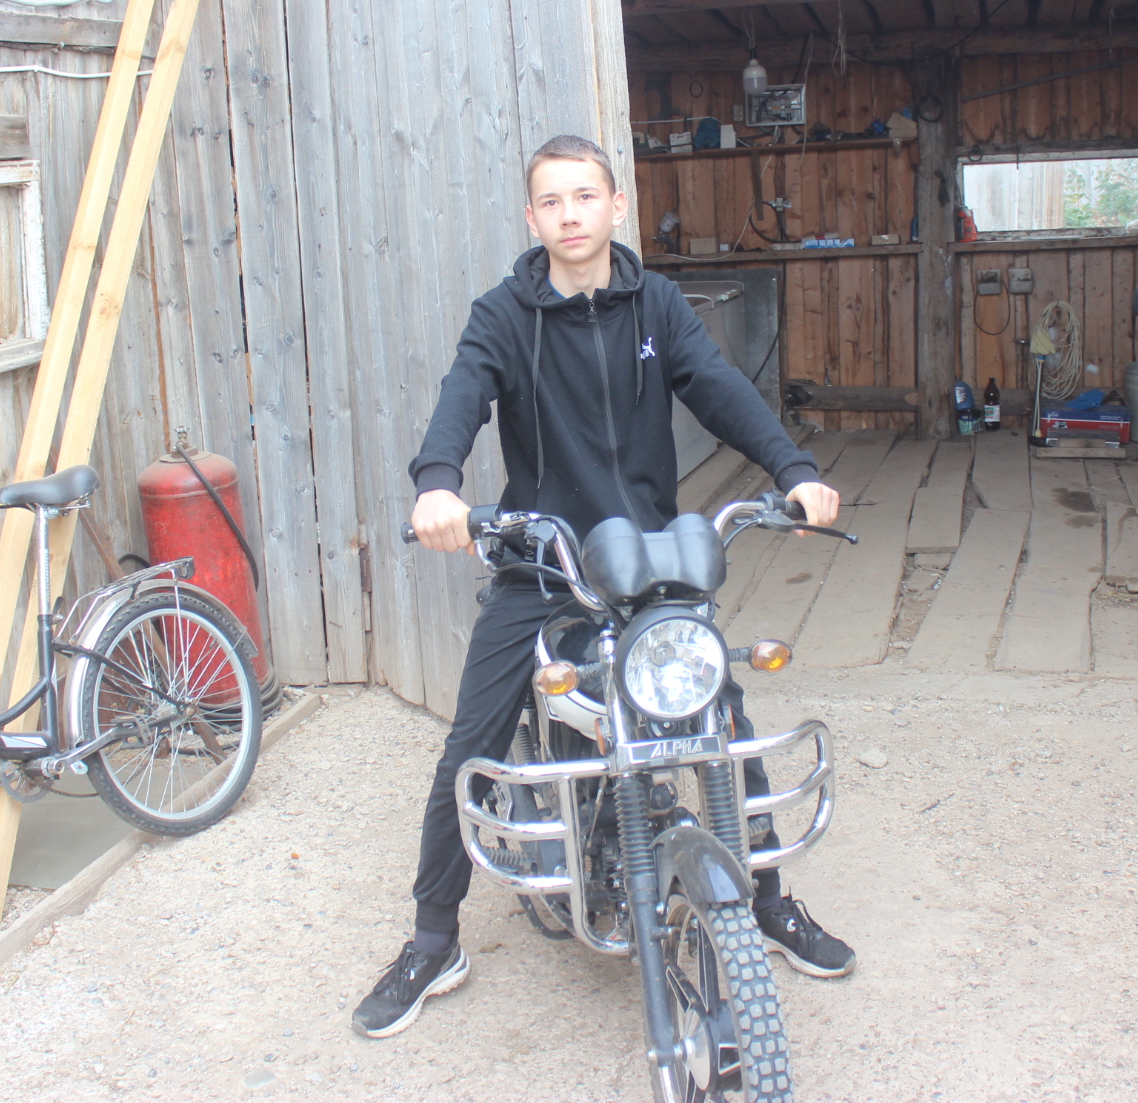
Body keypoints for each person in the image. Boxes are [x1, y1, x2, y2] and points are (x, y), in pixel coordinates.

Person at [352, 135, 856, 1039]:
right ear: (532, 217)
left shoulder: (656, 302)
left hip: (646, 562)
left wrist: (793, 468)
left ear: (616, 205)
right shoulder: (505, 315)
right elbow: (464, 394)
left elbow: (717, 386)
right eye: (552, 201)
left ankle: (768, 899)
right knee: (469, 744)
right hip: (545, 563)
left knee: (723, 718)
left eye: (585, 196)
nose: (570, 214)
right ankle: (433, 940)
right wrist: (437, 484)